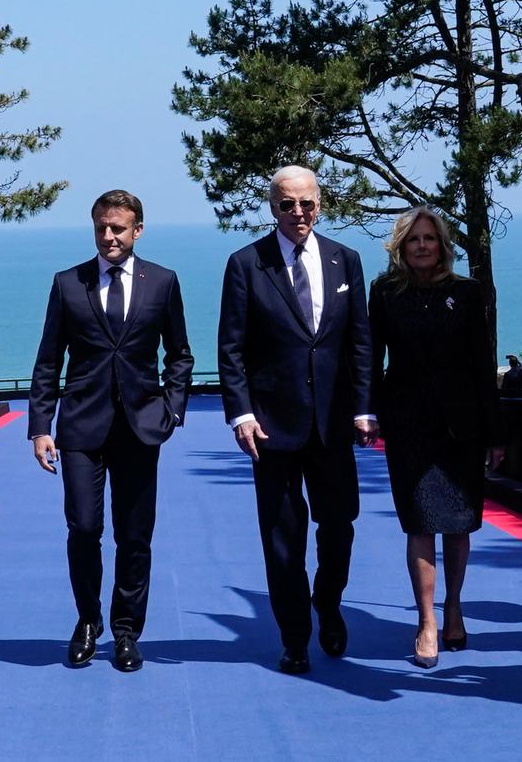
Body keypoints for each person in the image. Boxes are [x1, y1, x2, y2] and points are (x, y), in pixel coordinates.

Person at [217, 164, 376, 675]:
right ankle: (295, 636)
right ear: (272, 207)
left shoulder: (345, 260)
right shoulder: (246, 264)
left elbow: (360, 341)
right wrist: (240, 413)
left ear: (320, 202)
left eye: (306, 202)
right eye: (287, 203)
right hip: (272, 428)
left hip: (334, 425)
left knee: (339, 526)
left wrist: (365, 405)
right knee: (283, 539)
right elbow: (231, 348)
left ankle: (328, 603)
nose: (298, 212)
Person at [29, 190, 194, 674]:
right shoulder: (67, 283)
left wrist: (173, 409)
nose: (109, 236)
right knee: (83, 527)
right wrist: (41, 426)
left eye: (118, 228)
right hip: (80, 426)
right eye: (101, 227)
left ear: (137, 230)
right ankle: (87, 622)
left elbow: (180, 354)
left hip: (142, 427)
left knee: (135, 535)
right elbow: (47, 362)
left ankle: (126, 632)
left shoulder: (162, 282)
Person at [370, 206, 504, 668]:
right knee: (420, 522)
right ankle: (426, 620)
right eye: (414, 240)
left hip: (462, 427)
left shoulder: (466, 292)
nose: (423, 246)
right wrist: (366, 412)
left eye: (430, 238)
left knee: (458, 523)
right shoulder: (384, 292)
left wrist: (495, 431)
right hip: (408, 424)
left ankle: (454, 605)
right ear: (401, 247)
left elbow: (483, 365)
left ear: (443, 245)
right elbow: (372, 357)